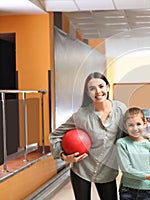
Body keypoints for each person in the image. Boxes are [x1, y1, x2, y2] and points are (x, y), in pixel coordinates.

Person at [49, 72, 127, 200]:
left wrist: (147, 139)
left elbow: (129, 134)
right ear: (87, 92)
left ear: (107, 87)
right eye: (92, 88)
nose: (98, 91)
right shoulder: (81, 116)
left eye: (101, 86)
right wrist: (64, 156)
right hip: (82, 170)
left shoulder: (121, 109)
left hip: (107, 172)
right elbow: (55, 136)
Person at [116, 107, 150, 200]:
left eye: (138, 124)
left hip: (146, 191)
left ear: (145, 123)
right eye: (131, 125)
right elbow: (127, 170)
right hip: (128, 191)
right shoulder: (122, 143)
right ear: (125, 126)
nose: (135, 128)